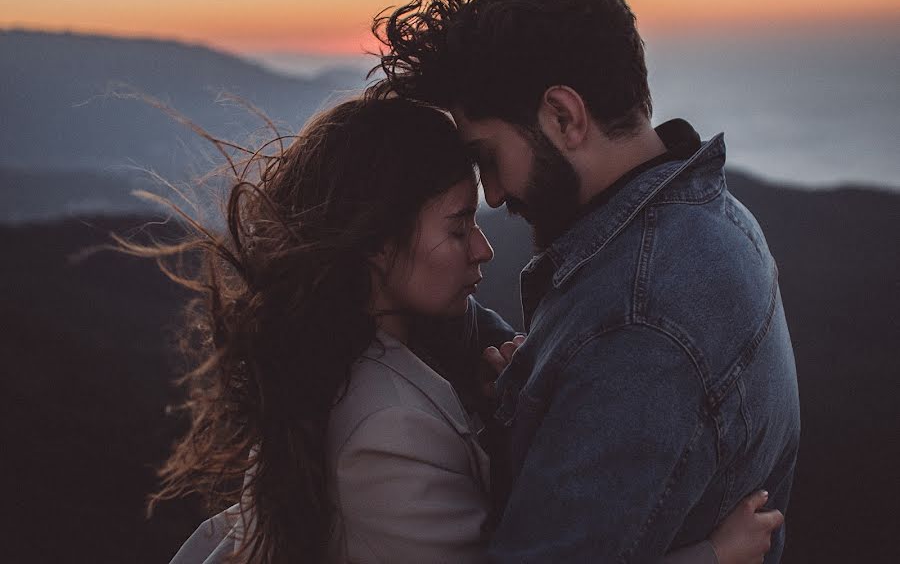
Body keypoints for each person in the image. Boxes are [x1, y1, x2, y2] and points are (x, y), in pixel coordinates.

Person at [131, 97, 782, 563]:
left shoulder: (372, 357)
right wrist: (712, 554)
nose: (483, 248)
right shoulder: (386, 427)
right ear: (378, 243)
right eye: (456, 226)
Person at [369, 0, 802, 563]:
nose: (492, 194)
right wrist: (533, 388)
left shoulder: (637, 325)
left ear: (564, 117)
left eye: (486, 158)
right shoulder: (712, 216)